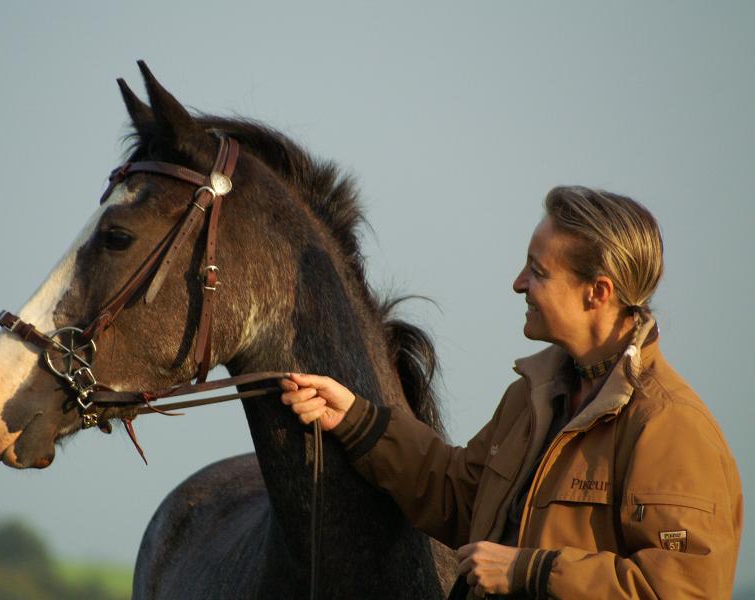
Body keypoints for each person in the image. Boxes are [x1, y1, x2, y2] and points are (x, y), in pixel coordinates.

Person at [280, 186, 743, 599]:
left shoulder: (671, 427)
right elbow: (460, 498)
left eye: (538, 271)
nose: (518, 283)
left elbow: (679, 591)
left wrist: (531, 571)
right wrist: (358, 421)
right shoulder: (529, 398)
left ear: (597, 292)